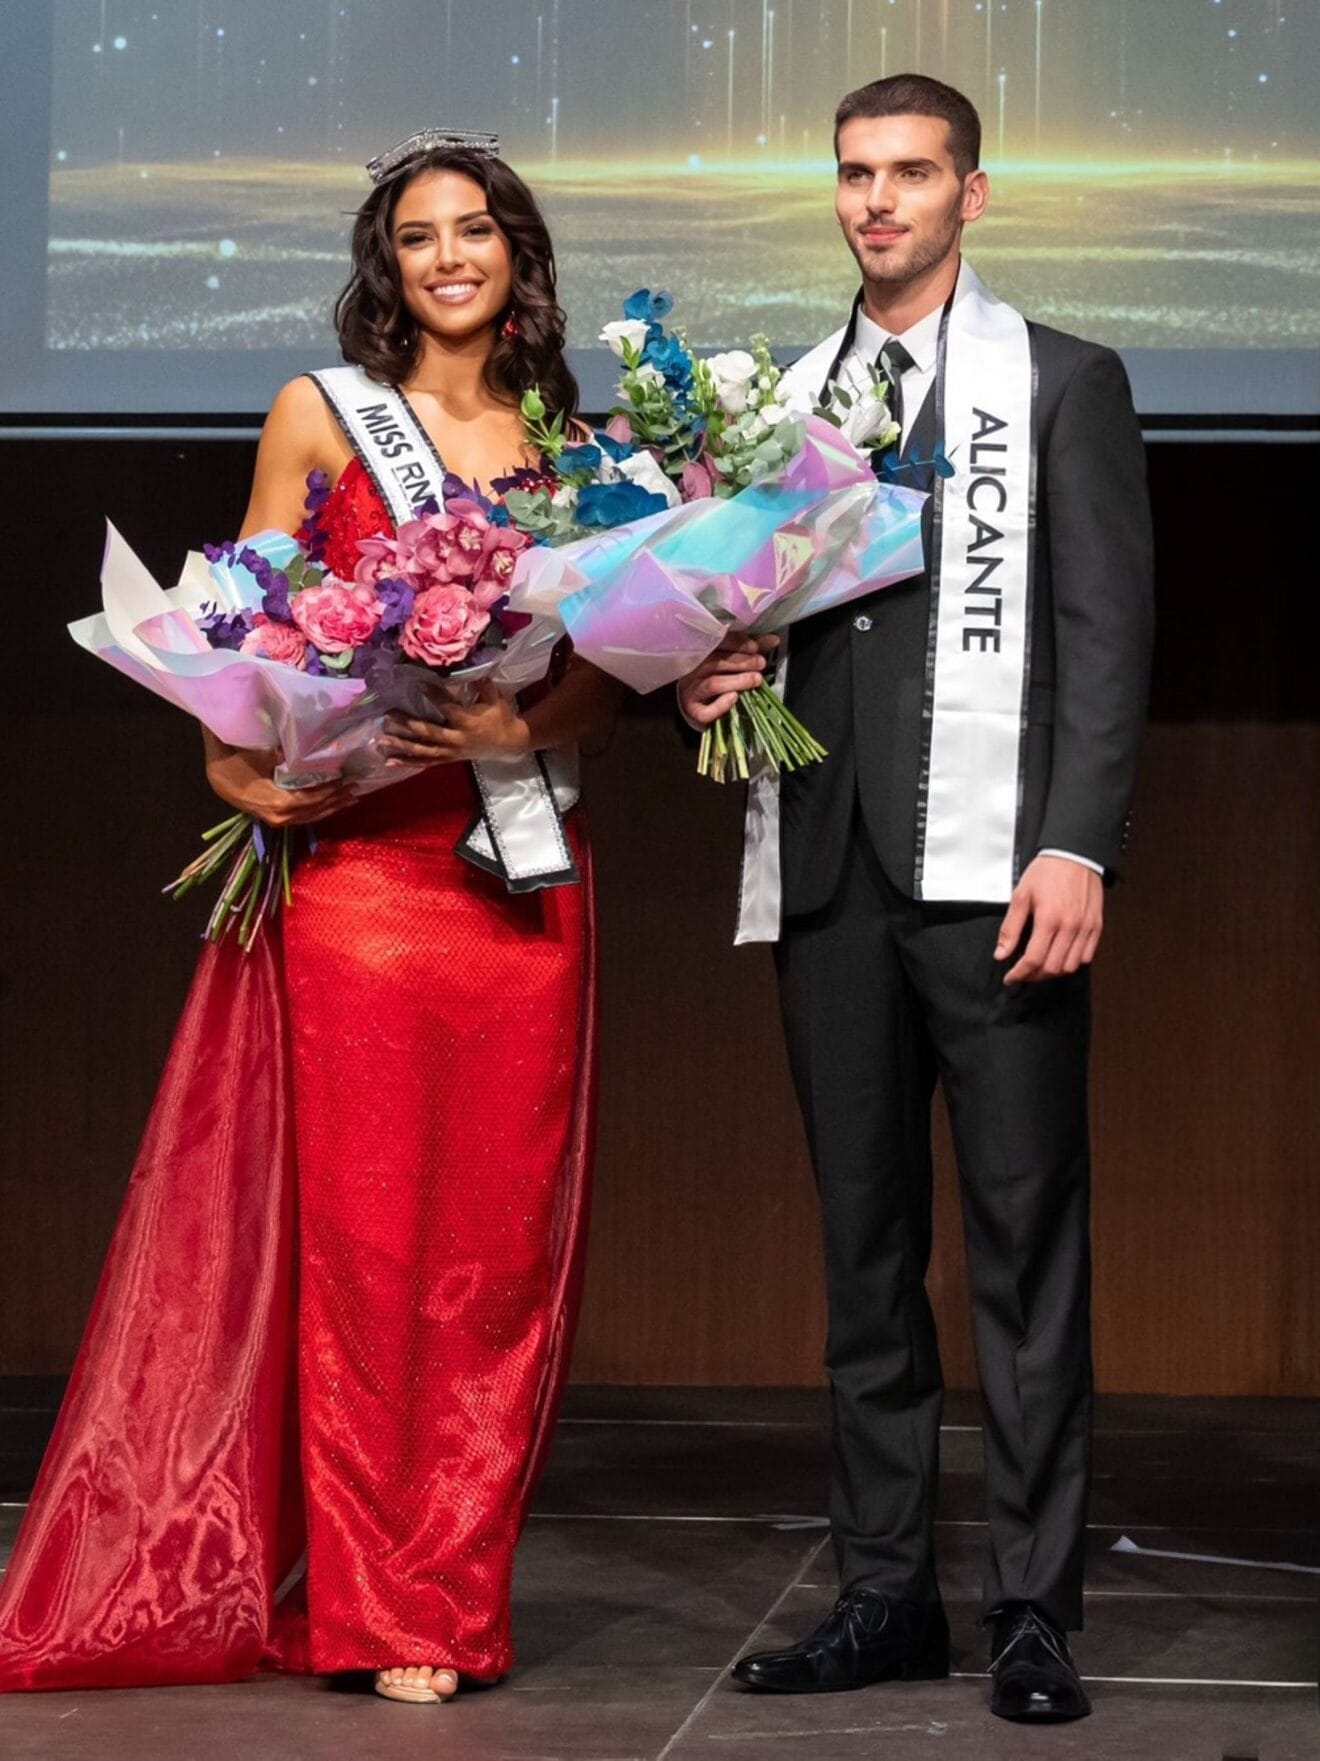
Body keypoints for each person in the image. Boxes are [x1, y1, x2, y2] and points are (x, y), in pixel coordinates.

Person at [0, 133, 620, 1706]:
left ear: (517, 251)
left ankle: (446, 1580)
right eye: (419, 236)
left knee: (494, 1256)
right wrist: (232, 762)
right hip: (361, 875)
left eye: (476, 229)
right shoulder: (319, 413)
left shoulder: (579, 440)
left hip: (516, 875)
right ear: (386, 265)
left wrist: (523, 725)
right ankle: (385, 1601)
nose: (450, 256)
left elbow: (608, 676)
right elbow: (234, 622)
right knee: (367, 1246)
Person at [681, 75, 1153, 1724]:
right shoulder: (772, 402)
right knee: (865, 1251)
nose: (878, 200)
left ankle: (1032, 1606)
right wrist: (704, 674)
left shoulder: (1064, 382)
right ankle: (885, 1593)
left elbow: (1107, 635)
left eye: (911, 172)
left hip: (999, 875)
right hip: (828, 868)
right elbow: (736, 617)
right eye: (854, 173)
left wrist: (1078, 842)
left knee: (1025, 1247)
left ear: (973, 193)